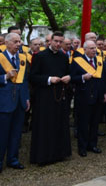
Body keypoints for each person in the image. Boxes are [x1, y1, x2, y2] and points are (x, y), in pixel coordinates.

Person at [0, 33, 30, 174]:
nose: (18, 44)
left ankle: (13, 160)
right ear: (7, 43)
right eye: (15, 42)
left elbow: (25, 80)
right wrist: (5, 77)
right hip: (3, 103)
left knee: (16, 134)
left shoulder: (22, 58)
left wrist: (26, 97)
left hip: (19, 102)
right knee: (2, 135)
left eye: (20, 41)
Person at [29, 31, 71, 165]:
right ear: (50, 41)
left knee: (59, 124)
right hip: (44, 97)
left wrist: (68, 77)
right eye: (56, 41)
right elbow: (32, 77)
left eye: (61, 42)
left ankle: (59, 154)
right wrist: (48, 79)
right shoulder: (40, 56)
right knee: (45, 126)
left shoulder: (64, 57)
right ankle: (43, 156)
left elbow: (68, 73)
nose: (58, 44)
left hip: (59, 95)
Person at [71, 40, 106, 157]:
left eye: (94, 48)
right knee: (83, 123)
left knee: (95, 123)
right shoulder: (78, 61)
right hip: (84, 96)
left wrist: (105, 92)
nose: (93, 50)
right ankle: (82, 147)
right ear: (85, 49)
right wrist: (82, 77)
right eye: (91, 48)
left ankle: (93, 145)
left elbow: (104, 78)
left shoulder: (99, 61)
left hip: (98, 96)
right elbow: (72, 77)